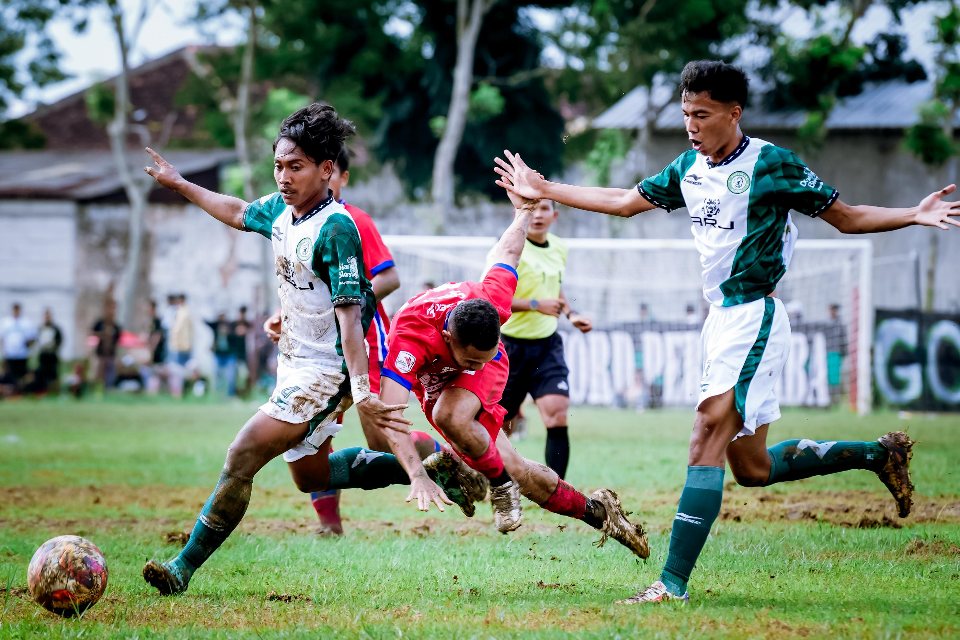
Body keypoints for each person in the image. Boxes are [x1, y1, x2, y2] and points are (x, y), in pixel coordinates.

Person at [494, 59, 958, 604]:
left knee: (705, 435)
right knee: (753, 468)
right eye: (686, 113)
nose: (691, 124)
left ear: (733, 113)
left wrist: (914, 213)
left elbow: (848, 217)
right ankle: (877, 455)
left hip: (753, 315)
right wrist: (542, 185)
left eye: (703, 114)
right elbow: (623, 203)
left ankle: (670, 585)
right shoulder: (688, 168)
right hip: (720, 321)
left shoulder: (771, 163)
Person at [140, 102, 466, 596]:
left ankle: (182, 567)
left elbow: (351, 318)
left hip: (325, 372)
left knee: (242, 453)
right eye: (278, 165)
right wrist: (182, 184)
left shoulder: (337, 229)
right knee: (310, 475)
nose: (284, 176)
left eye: (296, 166)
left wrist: (360, 388)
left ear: (326, 170)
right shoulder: (279, 210)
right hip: (292, 362)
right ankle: (437, 468)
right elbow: (236, 211)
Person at [367, 186, 649, 559]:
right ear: (447, 338)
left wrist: (523, 211)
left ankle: (491, 481)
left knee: (449, 416)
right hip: (437, 379)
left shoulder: (491, 301)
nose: (475, 367)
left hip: (482, 371)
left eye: (479, 360)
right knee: (514, 465)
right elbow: (390, 414)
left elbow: (507, 252)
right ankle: (599, 512)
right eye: (471, 361)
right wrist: (416, 474)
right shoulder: (410, 338)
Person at [268, 147, 446, 535]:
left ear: (339, 176)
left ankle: (442, 457)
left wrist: (347, 305)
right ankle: (329, 526)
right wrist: (289, 317)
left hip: (365, 339)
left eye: (325, 174)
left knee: (380, 439)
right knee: (311, 432)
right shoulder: (294, 221)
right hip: (319, 350)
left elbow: (389, 278)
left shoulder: (353, 220)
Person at [490, 199, 592, 479]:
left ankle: (557, 489)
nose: (537, 215)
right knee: (500, 423)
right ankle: (497, 481)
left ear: (554, 215)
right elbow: (492, 297)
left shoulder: (559, 247)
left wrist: (571, 314)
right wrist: (535, 304)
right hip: (510, 346)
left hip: (547, 345)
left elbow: (555, 287)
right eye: (531, 209)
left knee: (557, 413)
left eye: (544, 208)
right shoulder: (508, 249)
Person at [0, 302, 36, 393]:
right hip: (10, 354)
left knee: (22, 375)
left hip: (22, 355)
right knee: (9, 376)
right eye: (14, 310)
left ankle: (21, 391)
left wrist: (28, 347)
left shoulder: (26, 323)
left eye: (17, 310)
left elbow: (32, 338)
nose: (16, 312)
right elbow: (2, 338)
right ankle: (11, 392)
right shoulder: (6, 322)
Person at [90, 299, 122, 390]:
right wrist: (103, 335)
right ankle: (96, 390)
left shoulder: (116, 325)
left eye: (114, 308)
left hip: (111, 354)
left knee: (110, 375)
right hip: (100, 354)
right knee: (98, 374)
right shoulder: (100, 323)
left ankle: (108, 389)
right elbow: (92, 333)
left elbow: (118, 339)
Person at [206, 312, 238, 397]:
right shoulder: (215, 328)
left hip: (229, 356)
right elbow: (207, 322)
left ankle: (230, 395)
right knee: (217, 375)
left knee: (230, 376)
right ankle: (218, 394)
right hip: (218, 355)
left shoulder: (231, 329)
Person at [36, 308, 63, 393]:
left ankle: (55, 391)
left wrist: (54, 346)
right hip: (43, 354)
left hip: (52, 354)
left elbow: (59, 340)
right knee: (42, 373)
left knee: (53, 374)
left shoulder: (55, 328)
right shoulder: (40, 328)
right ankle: (43, 391)